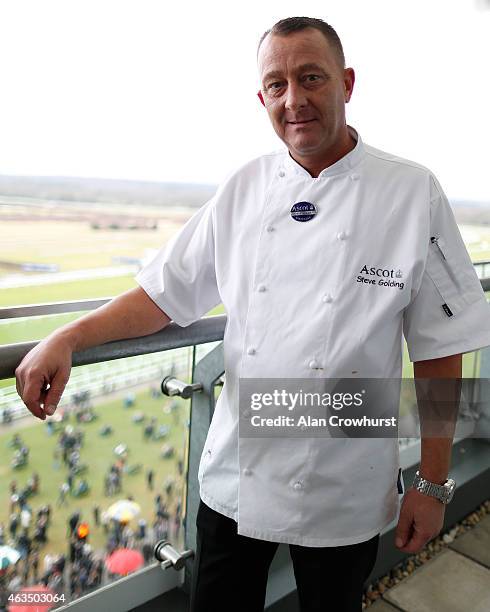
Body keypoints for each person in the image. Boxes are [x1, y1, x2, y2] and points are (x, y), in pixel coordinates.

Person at [14, 15, 490, 612]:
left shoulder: (413, 191)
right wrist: (70, 335)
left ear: (346, 83)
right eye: (277, 84)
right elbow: (163, 294)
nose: (295, 99)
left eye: (311, 78)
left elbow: (441, 346)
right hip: (238, 473)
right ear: (261, 97)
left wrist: (432, 483)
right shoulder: (243, 187)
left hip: (346, 478)